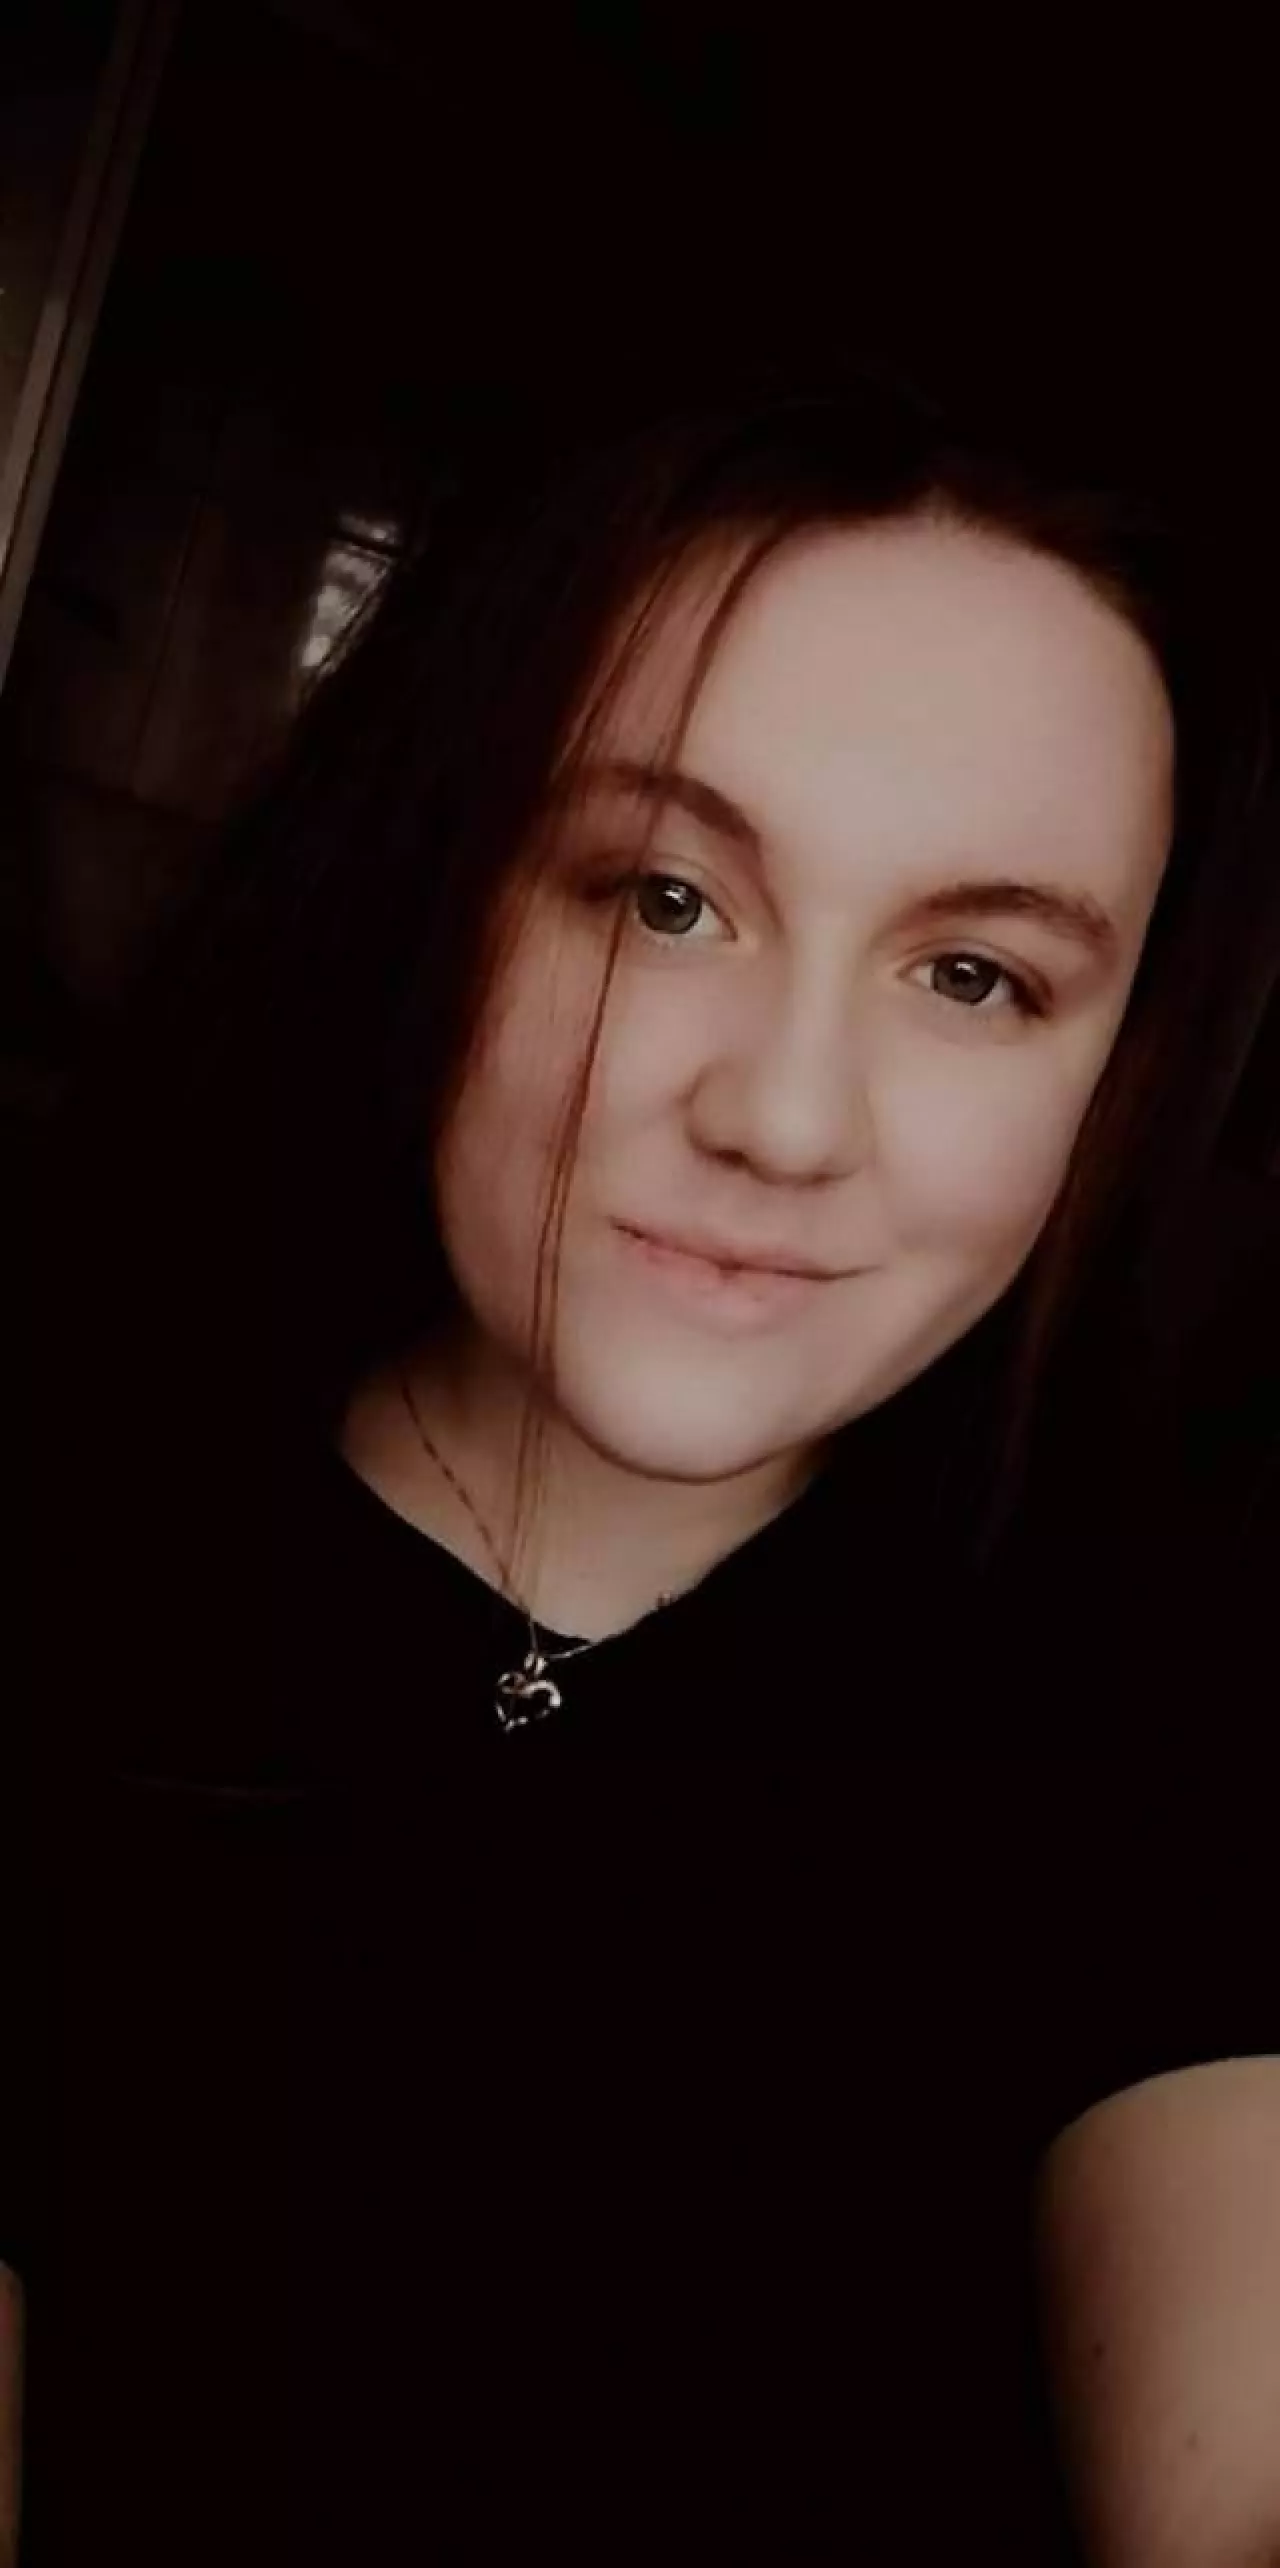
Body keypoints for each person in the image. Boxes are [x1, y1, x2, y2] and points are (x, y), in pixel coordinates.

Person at [21, 357, 1280, 2564]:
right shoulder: (54, 1570)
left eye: (973, 975)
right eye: (661, 897)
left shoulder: (1166, 1719)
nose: (783, 1118)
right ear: (447, 887)